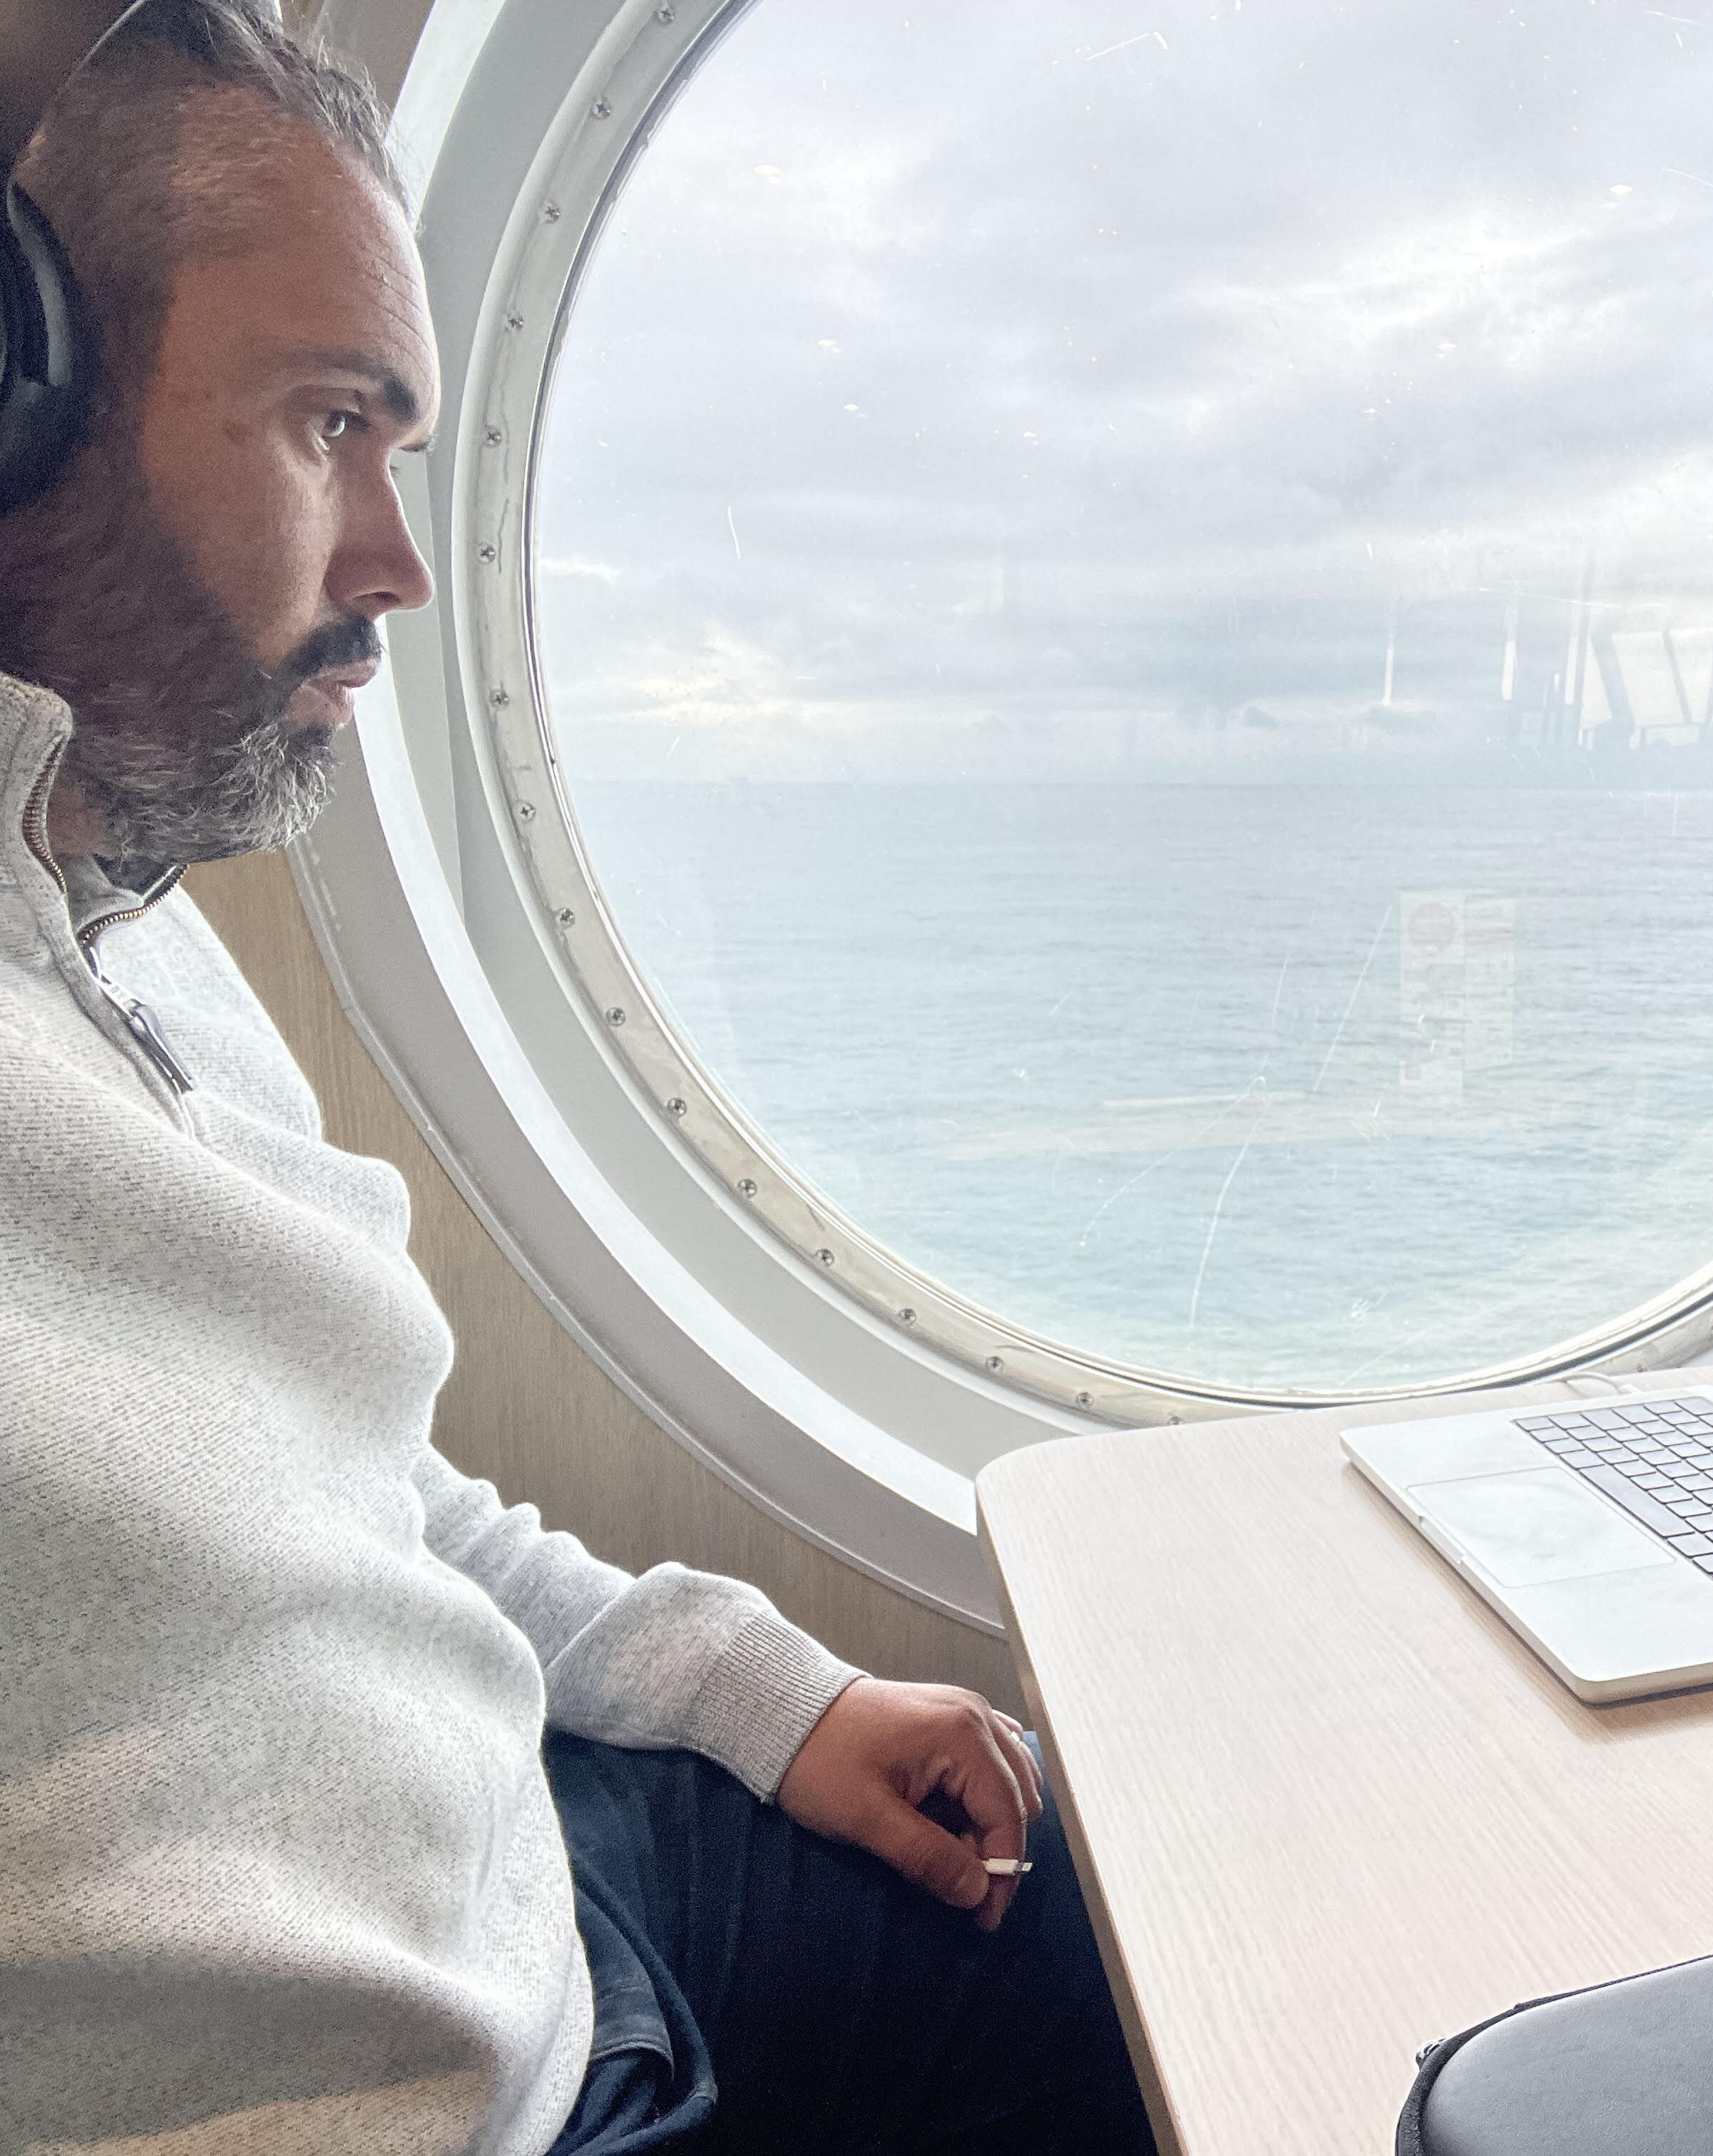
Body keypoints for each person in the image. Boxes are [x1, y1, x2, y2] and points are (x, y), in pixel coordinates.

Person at [0, 4, 1157, 2149]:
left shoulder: (124, 927)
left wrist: (758, 1693)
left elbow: (345, 1487)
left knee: (1114, 1947)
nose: (400, 570)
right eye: (329, 424)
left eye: (406, 450)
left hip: (535, 1879)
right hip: (416, 2101)